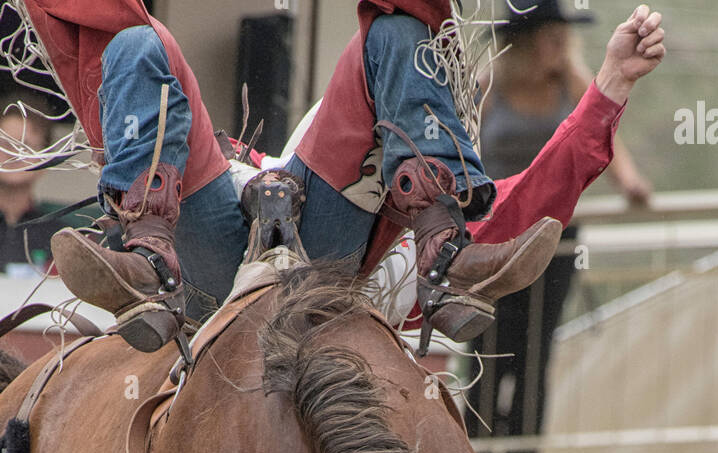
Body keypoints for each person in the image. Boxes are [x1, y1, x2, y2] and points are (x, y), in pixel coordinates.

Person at [16, 1, 665, 353]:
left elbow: (531, 200)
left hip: (337, 268)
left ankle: (446, 252)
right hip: (218, 254)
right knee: (135, 44)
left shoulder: (401, 159)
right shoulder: (330, 139)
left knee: (399, 30)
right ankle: (146, 256)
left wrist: (609, 85)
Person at [467, 0, 654, 453]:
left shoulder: (571, 80)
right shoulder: (490, 85)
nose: (561, 45)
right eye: (552, 36)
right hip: (493, 239)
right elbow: (461, 145)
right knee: (487, 343)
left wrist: (629, 182)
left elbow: (599, 132)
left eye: (563, 37)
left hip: (554, 239)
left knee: (536, 347)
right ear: (527, 42)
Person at [0, 101, 81, 270]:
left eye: (25, 146)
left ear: (45, 160)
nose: (14, 155)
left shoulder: (62, 237)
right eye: (6, 144)